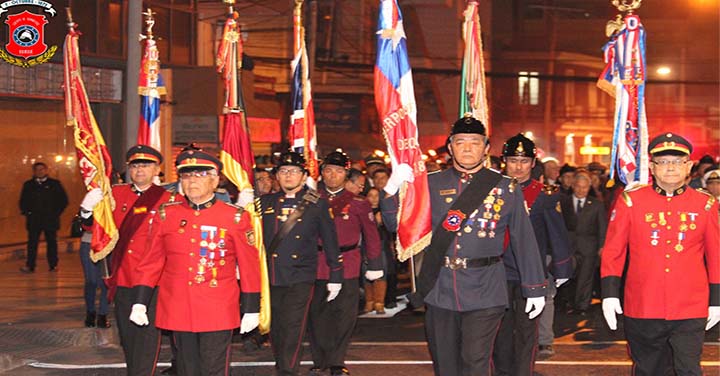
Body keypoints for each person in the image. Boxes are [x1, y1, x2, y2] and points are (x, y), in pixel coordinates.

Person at [381, 116, 547, 376]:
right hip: (440, 285)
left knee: (475, 360)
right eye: (460, 142)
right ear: (450, 147)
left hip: (486, 287)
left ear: (486, 148)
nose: (468, 148)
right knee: (445, 364)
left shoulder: (505, 189)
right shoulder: (431, 184)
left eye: (475, 142)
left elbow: (523, 240)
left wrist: (535, 288)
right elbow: (397, 225)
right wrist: (392, 190)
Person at [129, 149, 261, 376]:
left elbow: (249, 265)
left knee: (213, 367)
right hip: (178, 305)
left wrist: (251, 309)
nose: (191, 182)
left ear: (215, 180)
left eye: (199, 176)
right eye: (186, 176)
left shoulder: (234, 217)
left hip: (217, 306)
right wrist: (140, 301)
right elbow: (151, 262)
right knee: (186, 368)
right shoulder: (166, 215)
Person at [601, 133, 720, 376]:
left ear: (688, 167)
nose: (670, 168)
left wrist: (717, 298)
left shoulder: (705, 205)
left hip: (690, 306)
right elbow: (614, 251)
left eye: (677, 162)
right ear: (652, 167)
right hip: (643, 304)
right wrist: (609, 293)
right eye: (663, 162)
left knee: (688, 369)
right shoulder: (631, 201)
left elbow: (716, 255)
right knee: (648, 369)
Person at [79, 145, 176, 375]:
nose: (140, 169)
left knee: (147, 337)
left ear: (157, 169)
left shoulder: (170, 199)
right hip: (123, 276)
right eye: (135, 165)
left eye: (146, 165)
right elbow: (94, 228)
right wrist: (86, 209)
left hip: (156, 280)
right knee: (128, 335)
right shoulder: (116, 194)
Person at [492, 134, 573, 375]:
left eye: (524, 161)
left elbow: (557, 234)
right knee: (499, 331)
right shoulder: (492, 192)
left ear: (532, 163)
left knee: (527, 332)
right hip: (497, 272)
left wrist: (562, 268)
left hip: (531, 274)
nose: (518, 166)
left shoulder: (544, 195)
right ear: (504, 161)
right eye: (513, 160)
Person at [259, 152, 344, 376]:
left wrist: (336, 275)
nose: (288, 175)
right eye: (284, 171)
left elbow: (330, 242)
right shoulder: (265, 202)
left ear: (304, 175)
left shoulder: (316, 204)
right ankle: (282, 364)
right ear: (277, 176)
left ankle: (288, 370)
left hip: (300, 276)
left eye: (294, 171)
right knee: (276, 326)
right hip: (271, 275)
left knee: (293, 325)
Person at [307, 151, 383, 376]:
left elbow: (371, 236)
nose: (333, 175)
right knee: (316, 314)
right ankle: (319, 360)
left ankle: (336, 361)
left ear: (346, 175)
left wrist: (375, 264)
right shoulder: (311, 199)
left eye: (338, 171)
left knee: (344, 315)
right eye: (328, 170)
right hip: (317, 263)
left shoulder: (358, 203)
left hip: (348, 261)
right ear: (321, 173)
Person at [559, 170, 607, 314]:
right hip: (568, 246)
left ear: (589, 187)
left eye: (584, 187)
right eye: (578, 186)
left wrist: (602, 246)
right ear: (573, 186)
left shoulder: (597, 205)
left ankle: (582, 306)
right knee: (569, 276)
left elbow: (602, 227)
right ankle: (568, 302)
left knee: (585, 278)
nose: (581, 190)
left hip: (589, 247)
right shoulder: (563, 202)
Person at [19, 162, 68, 273]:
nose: (40, 172)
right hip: (34, 220)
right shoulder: (29, 185)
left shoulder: (54, 184)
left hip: (50, 219)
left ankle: (53, 264)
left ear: (46, 170)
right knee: (32, 243)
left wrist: (55, 213)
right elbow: (23, 201)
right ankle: (30, 265)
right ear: (34, 171)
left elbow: (63, 201)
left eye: (42, 169)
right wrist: (28, 213)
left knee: (51, 242)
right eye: (37, 170)